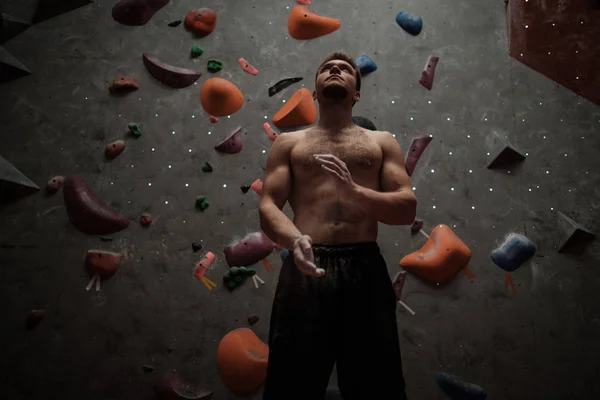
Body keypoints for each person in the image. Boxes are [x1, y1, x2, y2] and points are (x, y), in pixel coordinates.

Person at [259, 51, 417, 400]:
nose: (335, 70)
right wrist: (294, 239)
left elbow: (406, 208)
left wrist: (355, 192)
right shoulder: (289, 143)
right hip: (305, 263)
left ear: (356, 93)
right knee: (291, 384)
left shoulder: (381, 142)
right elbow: (269, 205)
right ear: (314, 92)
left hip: (364, 267)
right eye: (327, 68)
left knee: (377, 385)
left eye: (345, 69)